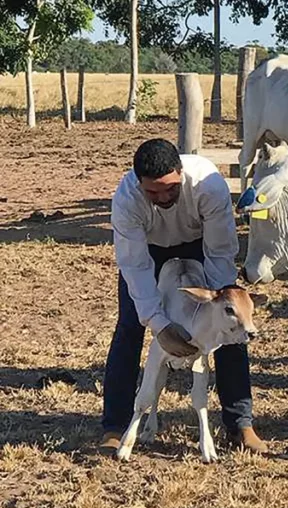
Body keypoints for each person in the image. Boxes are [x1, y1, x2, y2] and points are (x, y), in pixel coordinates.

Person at [99, 138, 267, 454]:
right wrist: (160, 325)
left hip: (199, 245)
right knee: (130, 326)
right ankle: (115, 426)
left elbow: (220, 252)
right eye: (153, 192)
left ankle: (241, 425)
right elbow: (135, 266)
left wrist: (219, 300)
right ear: (139, 184)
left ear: (181, 172)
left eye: (171, 189)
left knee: (231, 329)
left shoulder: (208, 185)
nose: (163, 197)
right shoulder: (126, 201)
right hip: (149, 249)